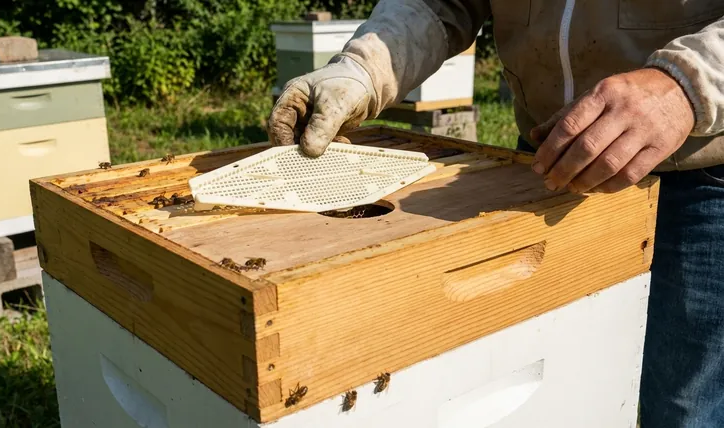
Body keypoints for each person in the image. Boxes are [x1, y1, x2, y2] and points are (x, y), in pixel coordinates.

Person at [266, 1, 724, 426]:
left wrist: (685, 85)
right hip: (543, 164)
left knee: (686, 408)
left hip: (699, 177)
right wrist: (361, 70)